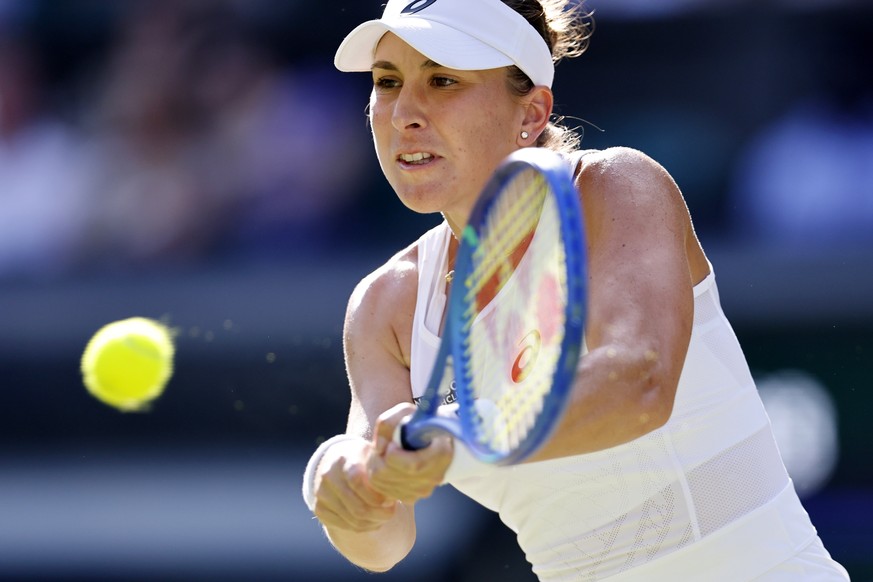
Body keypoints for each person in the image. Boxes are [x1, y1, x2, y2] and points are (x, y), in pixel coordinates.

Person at [301, 0, 851, 579]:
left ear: (532, 111)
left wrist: (459, 433)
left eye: (443, 79)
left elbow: (637, 384)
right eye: (388, 82)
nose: (403, 113)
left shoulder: (618, 188)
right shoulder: (384, 306)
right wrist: (339, 484)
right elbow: (384, 541)